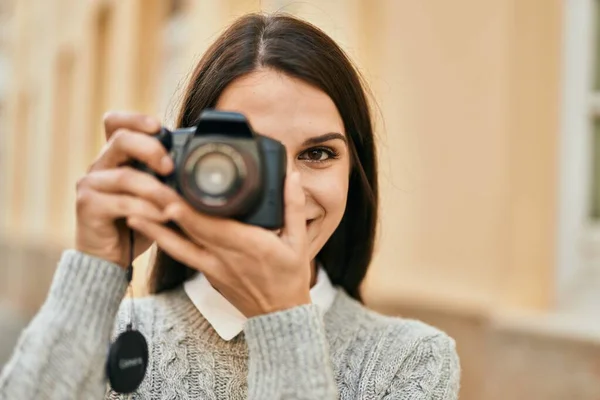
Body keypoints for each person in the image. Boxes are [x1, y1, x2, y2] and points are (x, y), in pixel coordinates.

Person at [0, 13, 460, 399]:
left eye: (317, 154)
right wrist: (93, 273)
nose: (288, 192)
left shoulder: (410, 362)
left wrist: (282, 323)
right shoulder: (104, 335)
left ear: (353, 174)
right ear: (187, 167)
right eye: (255, 158)